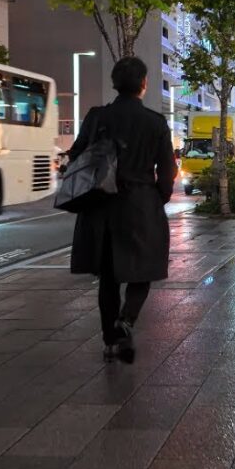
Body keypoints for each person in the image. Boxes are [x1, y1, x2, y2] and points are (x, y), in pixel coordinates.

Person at [69, 57, 176, 364]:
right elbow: (166, 169)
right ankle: (126, 320)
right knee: (145, 268)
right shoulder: (155, 122)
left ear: (115, 84)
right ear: (144, 84)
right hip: (141, 202)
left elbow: (76, 155)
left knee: (108, 277)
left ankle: (109, 341)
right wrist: (159, 197)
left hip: (102, 204)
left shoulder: (96, 117)